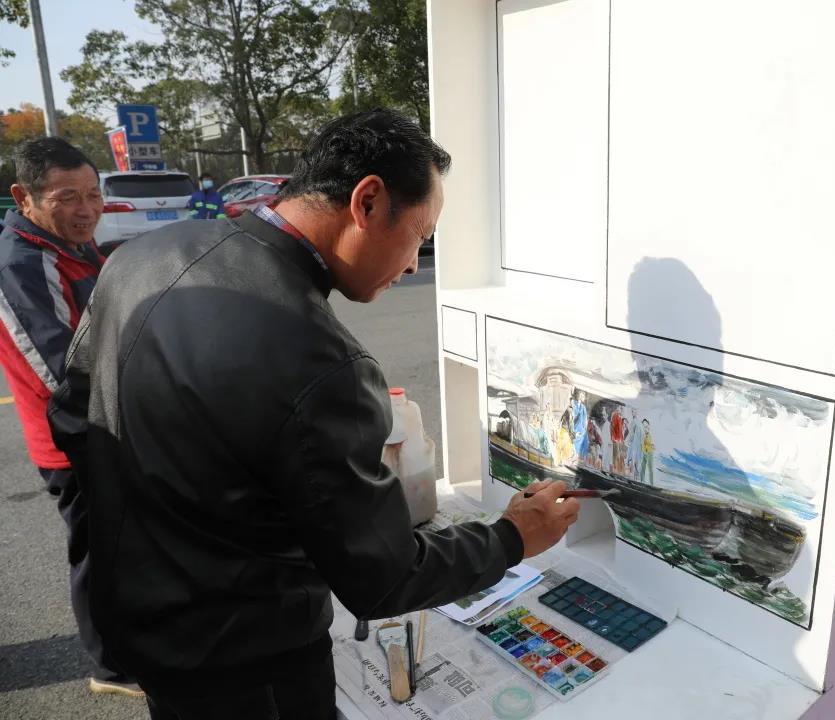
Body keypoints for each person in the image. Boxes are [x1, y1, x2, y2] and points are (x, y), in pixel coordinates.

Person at [47, 110, 581, 720]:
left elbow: (74, 419)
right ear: (368, 202)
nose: (415, 263)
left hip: (141, 622)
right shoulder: (320, 361)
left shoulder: (142, 256)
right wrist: (512, 536)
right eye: (420, 234)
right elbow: (383, 578)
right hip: (249, 659)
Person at [0, 138, 139, 696]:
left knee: (126, 546)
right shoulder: (22, 263)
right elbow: (60, 368)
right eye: (67, 198)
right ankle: (111, 669)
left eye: (93, 195)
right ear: (24, 198)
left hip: (109, 426)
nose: (86, 210)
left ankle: (134, 645)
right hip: (74, 441)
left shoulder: (74, 247)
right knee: (98, 552)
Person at [571, 390, 589, 461]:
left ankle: (579, 456)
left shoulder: (583, 407)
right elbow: (573, 414)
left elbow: (585, 418)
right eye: (580, 395)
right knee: (575, 439)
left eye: (582, 396)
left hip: (581, 426)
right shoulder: (573, 403)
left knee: (584, 439)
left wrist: (585, 427)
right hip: (575, 425)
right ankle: (574, 454)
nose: (581, 397)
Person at [640, 419, 655, 485]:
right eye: (644, 426)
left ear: (648, 425)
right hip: (644, 452)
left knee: (650, 468)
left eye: (646, 426)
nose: (645, 428)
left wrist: (652, 446)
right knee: (642, 468)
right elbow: (642, 444)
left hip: (649, 452)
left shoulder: (650, 434)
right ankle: (642, 482)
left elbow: (653, 444)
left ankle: (651, 484)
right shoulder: (643, 434)